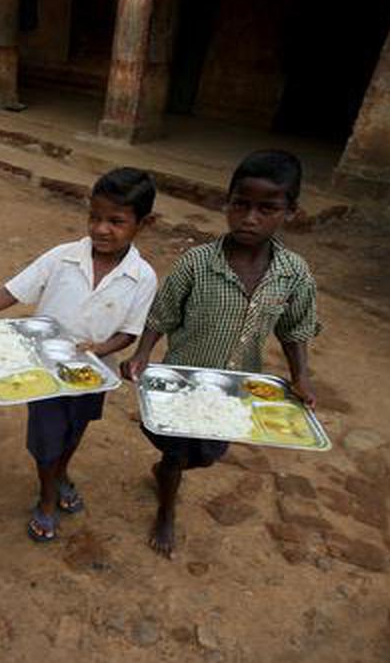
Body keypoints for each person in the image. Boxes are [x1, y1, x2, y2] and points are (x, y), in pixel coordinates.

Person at [0, 169, 158, 542]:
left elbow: (129, 333)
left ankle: (61, 472)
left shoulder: (143, 277)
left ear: (142, 224)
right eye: (95, 217)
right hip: (42, 373)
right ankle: (47, 496)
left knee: (74, 432)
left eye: (116, 221)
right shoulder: (61, 258)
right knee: (47, 440)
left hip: (92, 375)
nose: (101, 228)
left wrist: (100, 349)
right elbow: (12, 291)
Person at [121, 150, 320, 559]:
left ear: (290, 212)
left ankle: (167, 472)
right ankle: (166, 508)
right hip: (183, 384)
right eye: (241, 205)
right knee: (175, 451)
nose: (250, 218)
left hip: (235, 389)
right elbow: (161, 315)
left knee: (209, 455)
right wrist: (143, 354)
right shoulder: (196, 263)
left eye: (268, 209)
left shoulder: (293, 273)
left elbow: (295, 329)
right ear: (226, 204)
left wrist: (301, 376)